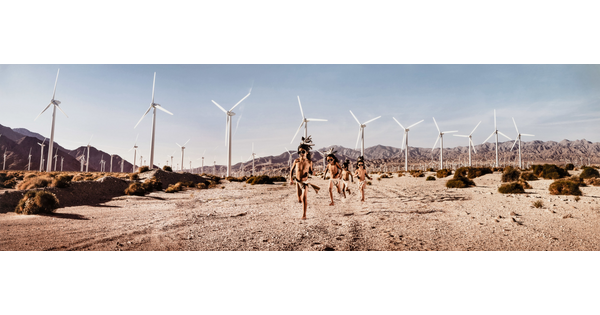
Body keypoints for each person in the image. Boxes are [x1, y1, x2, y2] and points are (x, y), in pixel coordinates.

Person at [289, 136, 320, 220]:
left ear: (307, 152)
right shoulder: (296, 161)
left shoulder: (309, 162)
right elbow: (291, 171)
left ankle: (304, 214)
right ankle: (301, 204)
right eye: (299, 152)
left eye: (303, 151)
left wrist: (312, 172)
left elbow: (311, 171)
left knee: (304, 198)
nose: (301, 153)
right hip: (297, 181)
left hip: (305, 182)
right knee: (299, 199)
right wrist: (291, 179)